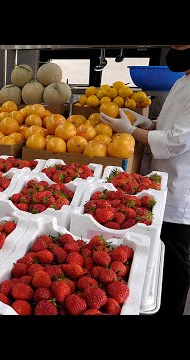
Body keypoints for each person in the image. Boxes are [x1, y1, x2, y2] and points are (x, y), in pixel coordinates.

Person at [100, 45, 190, 315]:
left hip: (181, 191)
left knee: (175, 264)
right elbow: (167, 128)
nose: (174, 50)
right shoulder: (182, 81)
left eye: (181, 45)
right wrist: (146, 124)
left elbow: (176, 140)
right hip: (164, 182)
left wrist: (129, 130)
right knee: (158, 259)